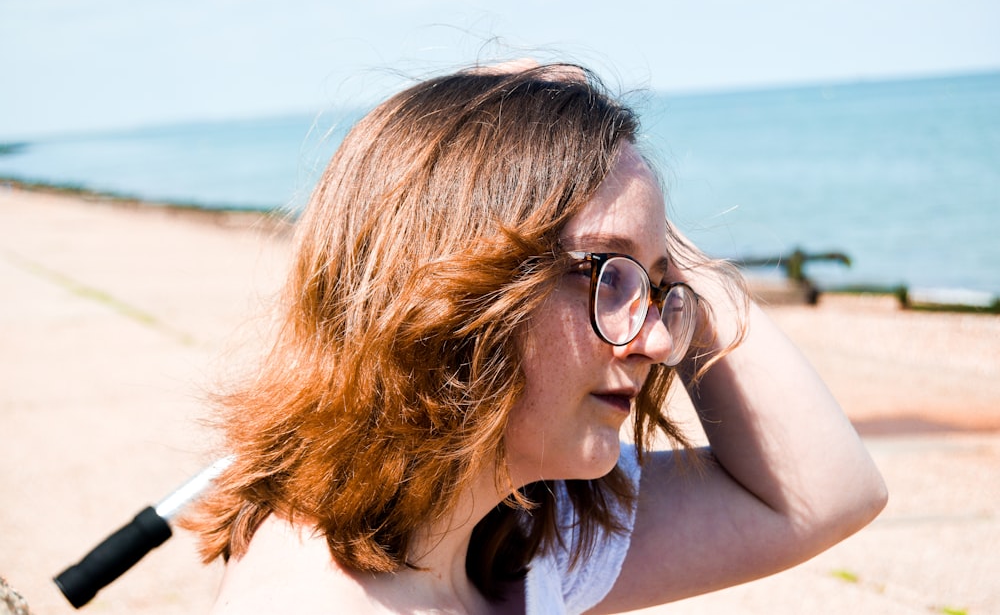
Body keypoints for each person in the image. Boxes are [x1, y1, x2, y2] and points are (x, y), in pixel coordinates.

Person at [183, 62, 887, 614]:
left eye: (658, 291)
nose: (653, 340)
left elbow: (828, 489)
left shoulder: (513, 542)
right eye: (607, 277)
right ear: (454, 284)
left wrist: (632, 207)